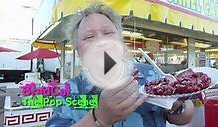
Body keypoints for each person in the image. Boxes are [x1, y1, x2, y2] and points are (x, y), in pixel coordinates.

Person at [46, 3, 194, 127]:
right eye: (89, 36)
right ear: (79, 51)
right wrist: (99, 119)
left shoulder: (153, 75)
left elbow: (185, 117)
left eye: (108, 33)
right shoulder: (67, 92)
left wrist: (177, 106)